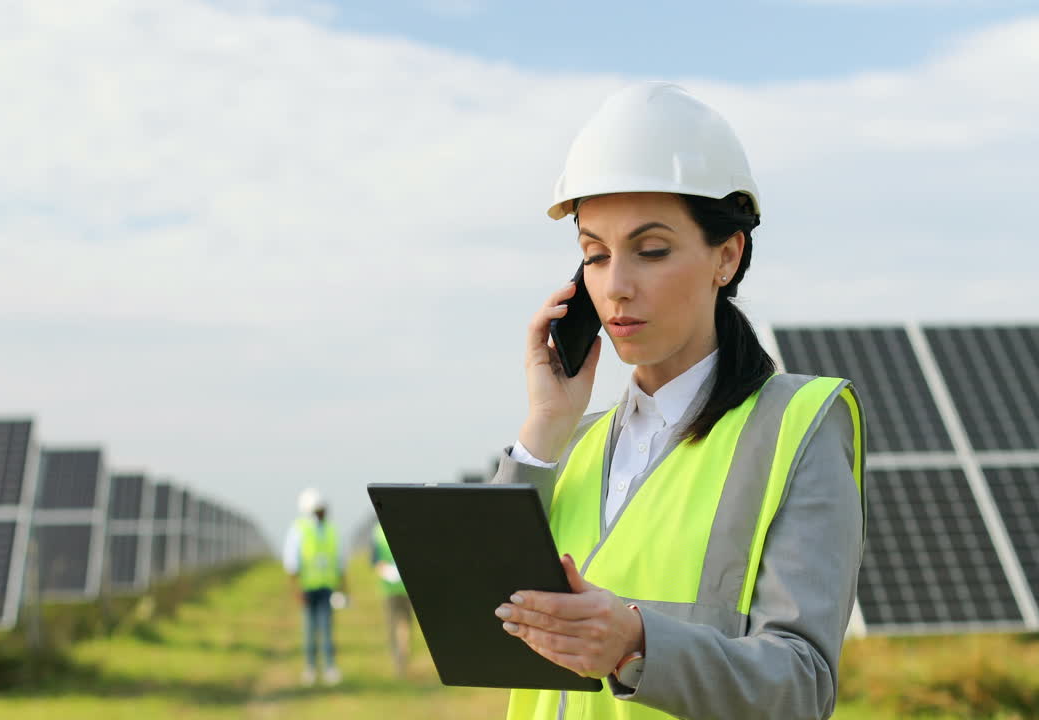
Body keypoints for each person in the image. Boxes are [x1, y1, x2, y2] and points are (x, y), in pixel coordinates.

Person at [492, 82, 866, 720]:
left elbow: (803, 686)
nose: (616, 288)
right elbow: (484, 617)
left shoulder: (795, 426)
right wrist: (542, 431)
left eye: (652, 250)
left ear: (727, 256)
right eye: (595, 255)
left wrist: (635, 646)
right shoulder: (571, 447)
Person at [283, 487, 348, 687]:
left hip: (326, 586)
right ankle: (310, 668)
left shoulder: (331, 529)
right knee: (310, 629)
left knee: (326, 628)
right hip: (307, 587)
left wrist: (343, 587)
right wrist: (296, 589)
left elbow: (339, 561)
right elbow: (292, 561)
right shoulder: (299, 529)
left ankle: (329, 667)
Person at [371, 523, 412, 677]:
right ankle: (402, 661)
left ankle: (399, 662)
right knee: (403, 626)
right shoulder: (404, 527)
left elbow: (375, 561)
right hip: (400, 588)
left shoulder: (377, 533)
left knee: (395, 626)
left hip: (392, 588)